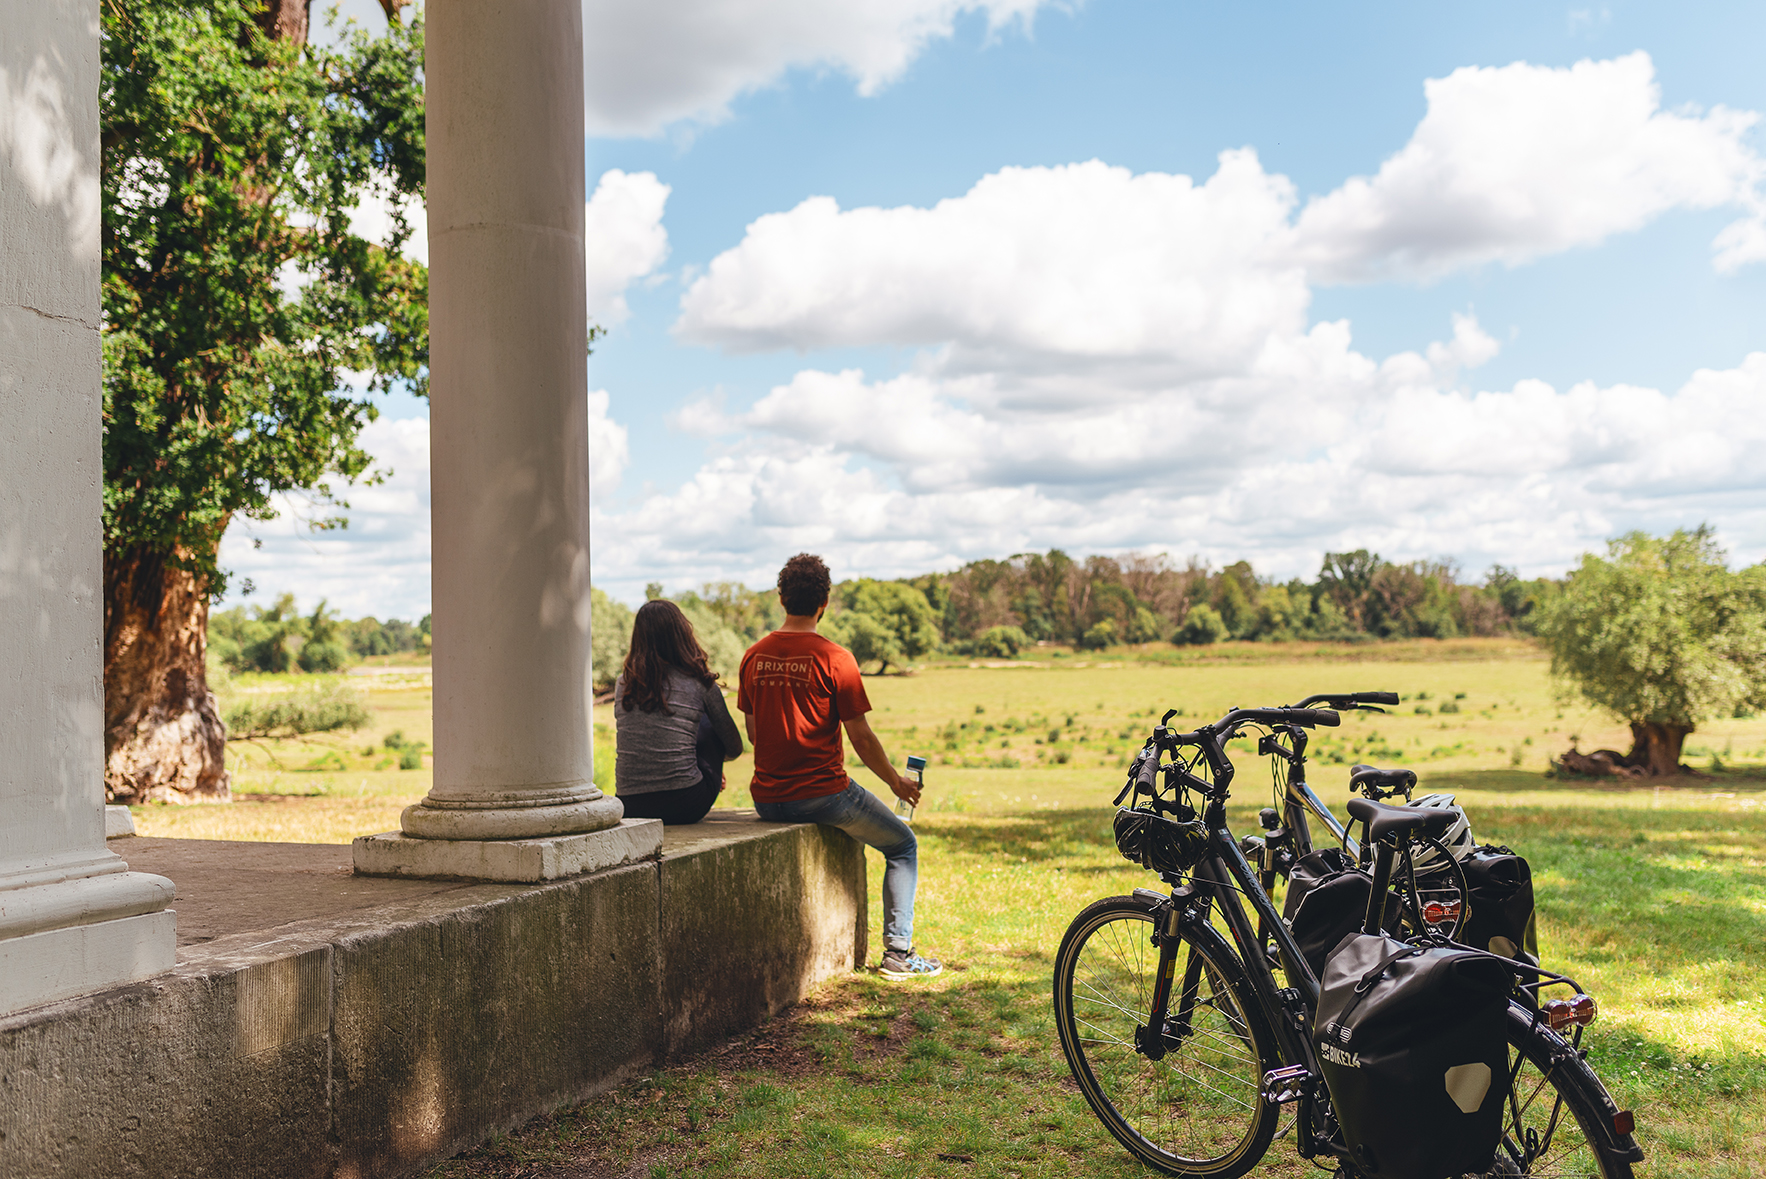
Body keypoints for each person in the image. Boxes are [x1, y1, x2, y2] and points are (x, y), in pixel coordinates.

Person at [737, 553, 942, 980]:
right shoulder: (836, 658)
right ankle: (898, 955)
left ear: (780, 598)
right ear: (824, 602)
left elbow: (755, 734)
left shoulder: (754, 657)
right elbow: (861, 736)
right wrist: (897, 783)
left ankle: (900, 955)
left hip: (768, 799)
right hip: (824, 795)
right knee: (903, 846)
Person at [613, 599, 744, 825]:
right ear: (681, 633)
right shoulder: (700, 683)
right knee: (706, 722)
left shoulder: (623, 684)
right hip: (686, 802)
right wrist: (711, 766)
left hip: (630, 804)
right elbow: (734, 746)